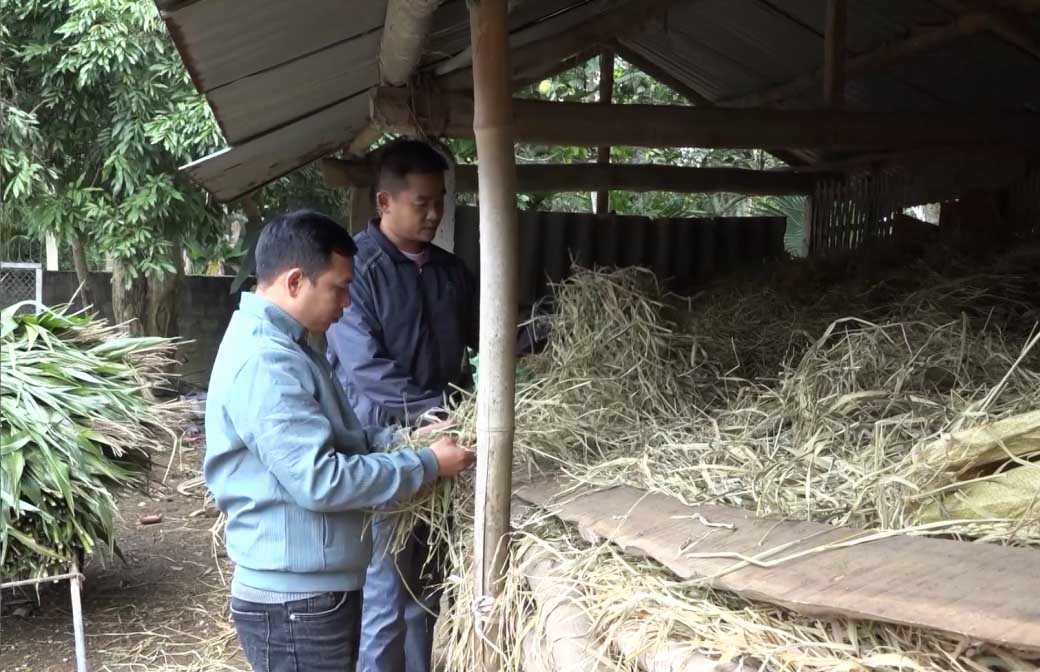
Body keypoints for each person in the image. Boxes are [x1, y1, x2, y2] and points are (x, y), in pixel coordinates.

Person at [204, 209, 475, 672]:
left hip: (310, 592)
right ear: (294, 282)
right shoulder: (268, 363)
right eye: (338, 287)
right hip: (295, 602)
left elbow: (336, 440)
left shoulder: (292, 346)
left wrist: (405, 438)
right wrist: (425, 463)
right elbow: (322, 480)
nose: (347, 303)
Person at [326, 139, 477, 672]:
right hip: (385, 444)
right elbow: (364, 369)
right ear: (384, 202)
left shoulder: (451, 272)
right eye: (422, 202)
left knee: (429, 587)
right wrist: (438, 410)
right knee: (386, 590)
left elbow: (486, 337)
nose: (435, 213)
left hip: (445, 444)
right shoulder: (356, 271)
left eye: (440, 201)